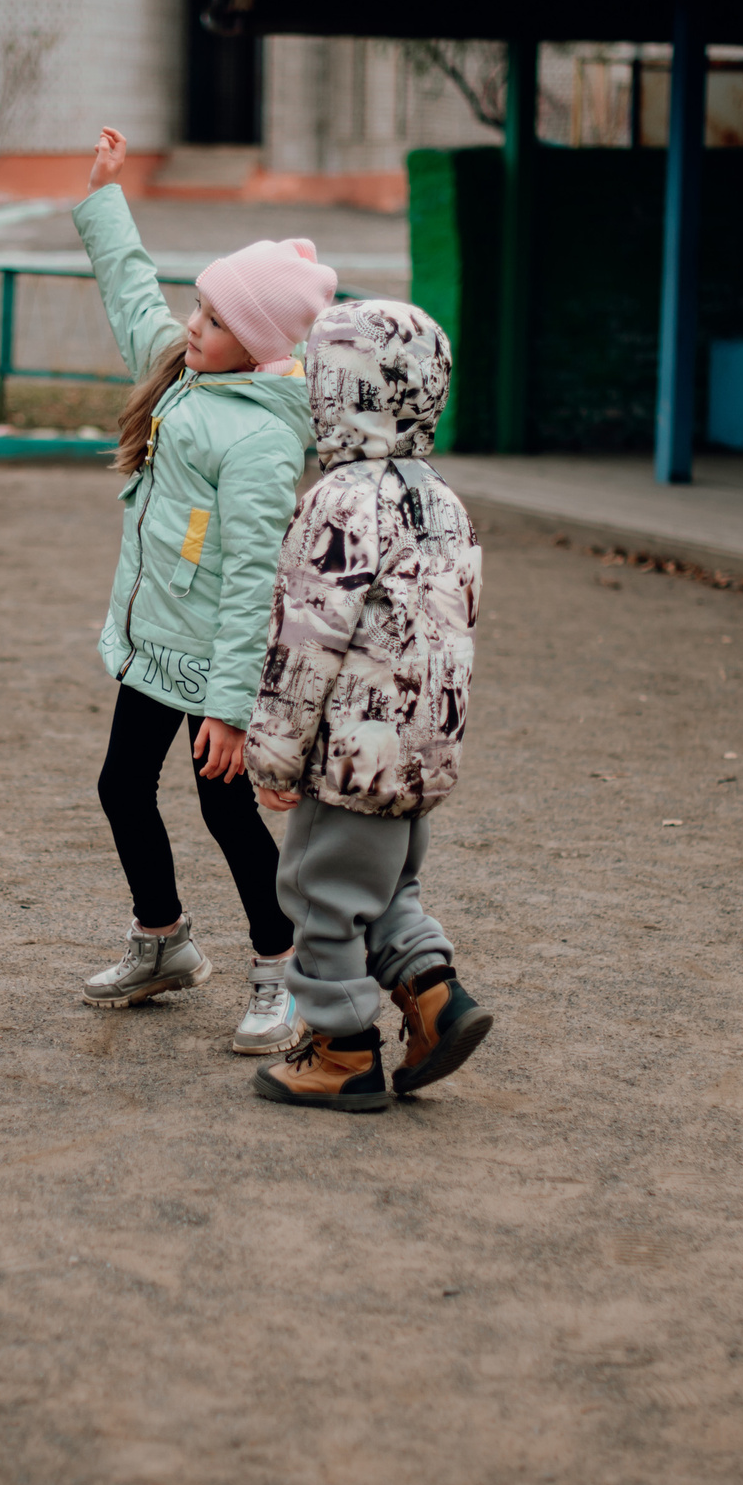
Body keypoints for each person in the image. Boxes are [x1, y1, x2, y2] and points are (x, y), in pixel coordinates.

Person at [72, 127, 337, 1057]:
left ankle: (283, 965)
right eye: (200, 307)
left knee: (226, 810)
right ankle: (164, 941)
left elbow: (253, 583)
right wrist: (105, 196)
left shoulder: (261, 439)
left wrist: (229, 711)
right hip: (158, 644)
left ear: (256, 345)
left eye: (216, 321)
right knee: (121, 787)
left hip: (216, 660)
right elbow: (130, 293)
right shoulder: (184, 373)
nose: (194, 326)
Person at [244, 300, 492, 1111]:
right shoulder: (443, 500)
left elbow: (305, 640)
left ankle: (341, 1051)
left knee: (319, 894)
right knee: (385, 893)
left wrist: (274, 754)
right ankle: (436, 1000)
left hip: (350, 756)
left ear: (336, 392)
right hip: (421, 750)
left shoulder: (340, 500)